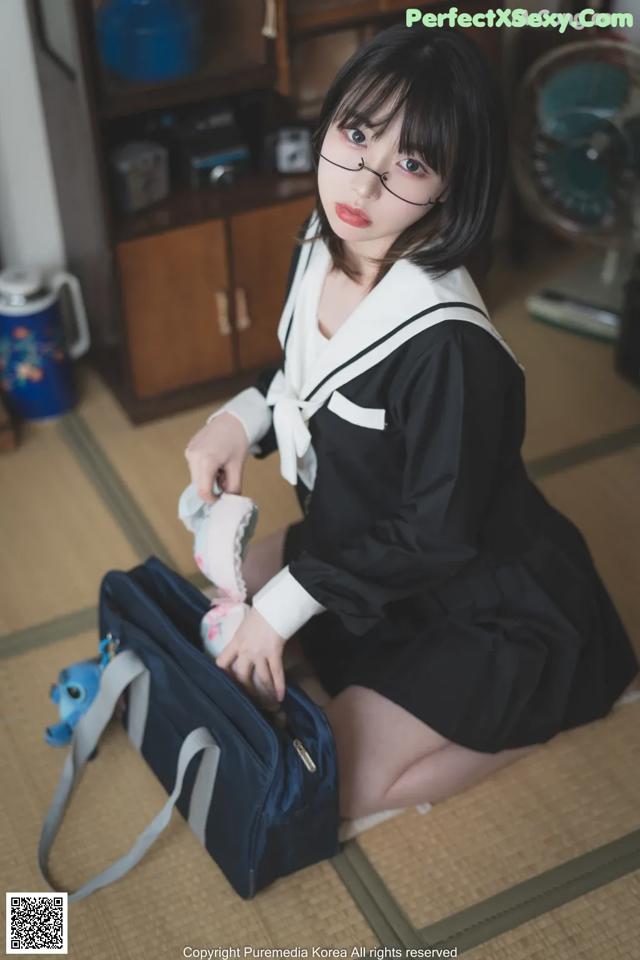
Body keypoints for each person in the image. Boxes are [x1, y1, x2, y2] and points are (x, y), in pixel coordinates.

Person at [184, 24, 639, 821]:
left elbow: (438, 532)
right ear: (328, 122)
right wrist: (238, 419)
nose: (362, 183)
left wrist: (285, 606)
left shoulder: (450, 342)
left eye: (412, 163)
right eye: (357, 134)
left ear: (451, 185)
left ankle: (543, 710)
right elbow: (303, 376)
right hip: (360, 540)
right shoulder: (322, 238)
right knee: (220, 588)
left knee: (342, 788)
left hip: (478, 595)